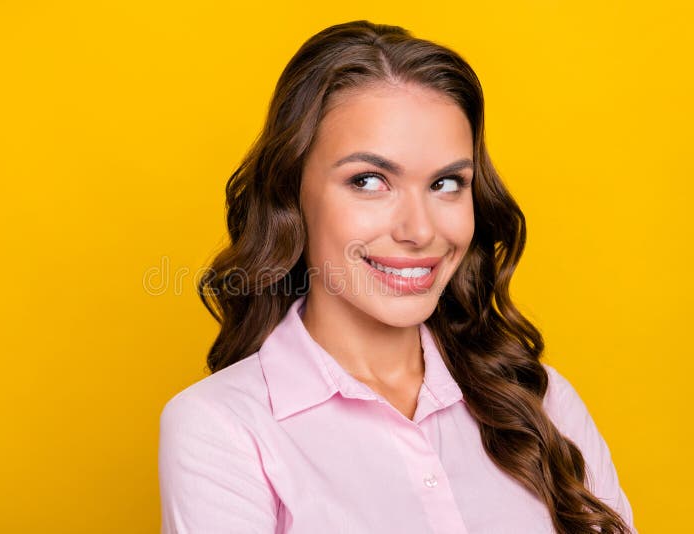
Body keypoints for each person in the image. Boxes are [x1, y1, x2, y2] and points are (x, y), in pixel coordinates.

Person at [158, 20, 635, 534]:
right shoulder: (223, 428)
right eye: (369, 181)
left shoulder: (539, 401)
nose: (420, 230)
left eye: (447, 183)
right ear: (292, 193)